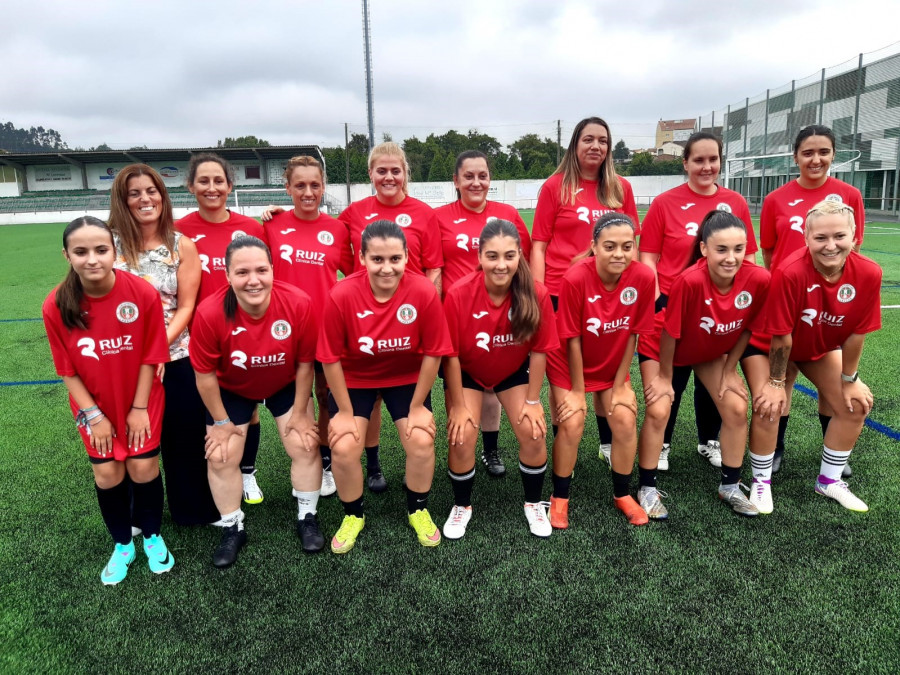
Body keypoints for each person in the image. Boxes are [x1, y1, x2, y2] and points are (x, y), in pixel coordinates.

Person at [43, 216, 174, 585]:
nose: (92, 259)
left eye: (101, 249)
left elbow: (152, 356)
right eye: (81, 251)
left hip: (141, 400)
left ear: (114, 251)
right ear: (67, 255)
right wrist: (94, 415)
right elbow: (67, 370)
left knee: (143, 469)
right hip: (93, 407)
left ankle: (151, 536)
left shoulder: (142, 293)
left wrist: (137, 409)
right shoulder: (56, 305)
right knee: (107, 473)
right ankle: (122, 545)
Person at [318, 220, 453, 554]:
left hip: (406, 378)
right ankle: (353, 515)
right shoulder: (342, 294)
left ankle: (418, 508)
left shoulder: (422, 290)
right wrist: (345, 412)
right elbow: (330, 358)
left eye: (395, 259)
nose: (387, 268)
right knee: (345, 445)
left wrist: (419, 405)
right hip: (355, 380)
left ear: (407, 257)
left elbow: (435, 352)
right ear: (362, 258)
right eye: (377, 259)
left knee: (421, 440)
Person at [190, 236, 321, 567]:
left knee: (305, 444)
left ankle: (308, 516)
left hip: (285, 383)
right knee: (220, 456)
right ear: (227, 275)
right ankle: (233, 527)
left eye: (261, 270)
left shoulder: (299, 303)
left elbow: (306, 364)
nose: (253, 280)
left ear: (273, 271)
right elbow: (204, 376)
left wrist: (304, 413)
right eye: (242, 272)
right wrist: (220, 424)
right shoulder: (208, 313)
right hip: (232, 387)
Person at [639, 132, 759, 472]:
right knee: (671, 378)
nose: (706, 167)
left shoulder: (735, 202)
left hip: (719, 308)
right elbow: (648, 256)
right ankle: (662, 444)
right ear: (686, 164)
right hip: (674, 307)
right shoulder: (665, 203)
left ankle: (709, 441)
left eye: (713, 160)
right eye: (699, 160)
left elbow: (747, 256)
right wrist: (661, 297)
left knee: (713, 381)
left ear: (720, 161)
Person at [641, 211, 771, 517]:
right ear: (704, 249)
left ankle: (730, 486)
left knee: (737, 408)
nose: (731, 258)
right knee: (660, 409)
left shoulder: (759, 279)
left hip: (708, 350)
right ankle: (646, 488)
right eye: (721, 249)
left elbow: (749, 327)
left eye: (738, 249)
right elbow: (670, 333)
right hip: (664, 350)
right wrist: (663, 377)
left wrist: (728, 371)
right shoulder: (689, 281)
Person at [755, 200, 880, 513]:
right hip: (773, 345)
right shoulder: (789, 271)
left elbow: (856, 333)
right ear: (806, 239)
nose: (830, 245)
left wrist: (850, 379)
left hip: (817, 348)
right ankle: (760, 483)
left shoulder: (869, 273)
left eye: (839, 236)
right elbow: (781, 336)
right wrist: (775, 381)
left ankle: (829, 481)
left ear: (855, 236)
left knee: (855, 406)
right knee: (770, 404)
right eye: (821, 238)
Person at [108, 164, 215, 526]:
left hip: (176, 357)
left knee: (184, 437)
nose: (145, 199)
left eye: (151, 190)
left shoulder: (181, 244)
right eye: (135, 192)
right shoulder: (109, 244)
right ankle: (140, 514)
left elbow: (186, 305)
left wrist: (155, 349)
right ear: (123, 200)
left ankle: (193, 509)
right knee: (134, 440)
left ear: (163, 196)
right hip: (121, 361)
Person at [530, 117, 640, 469]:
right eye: (588, 139)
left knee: (602, 364)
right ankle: (565, 435)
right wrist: (539, 294)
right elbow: (539, 245)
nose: (596, 146)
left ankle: (607, 443)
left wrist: (629, 285)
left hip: (608, 294)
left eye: (602, 140)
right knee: (562, 372)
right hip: (563, 293)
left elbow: (631, 243)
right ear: (575, 144)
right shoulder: (555, 187)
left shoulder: (620, 188)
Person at [758, 125, 866, 476]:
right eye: (808, 152)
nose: (815, 159)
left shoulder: (849, 194)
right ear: (796, 157)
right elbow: (770, 252)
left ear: (833, 154)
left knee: (829, 381)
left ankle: (833, 449)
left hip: (830, 308)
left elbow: (853, 248)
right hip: (788, 301)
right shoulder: (776, 199)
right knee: (782, 377)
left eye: (823, 152)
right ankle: (776, 450)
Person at [442, 219, 558, 538]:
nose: (501, 264)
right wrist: (460, 407)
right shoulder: (458, 294)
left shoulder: (536, 293)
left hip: (511, 370)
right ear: (479, 257)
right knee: (462, 434)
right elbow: (450, 356)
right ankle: (462, 506)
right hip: (468, 372)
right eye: (492, 256)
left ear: (520, 255)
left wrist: (533, 401)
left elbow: (540, 351)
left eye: (509, 255)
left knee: (534, 432)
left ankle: (533, 503)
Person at [547, 213, 655, 527]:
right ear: (594, 246)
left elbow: (633, 332)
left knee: (623, 418)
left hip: (611, 360)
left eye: (627, 246)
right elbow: (572, 339)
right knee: (573, 421)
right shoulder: (575, 278)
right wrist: (579, 391)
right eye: (609, 246)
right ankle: (560, 497)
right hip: (567, 362)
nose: (619, 254)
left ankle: (622, 494)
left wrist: (621, 384)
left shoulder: (643, 278)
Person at [176, 153, 269, 506]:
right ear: (191, 186)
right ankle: (215, 473)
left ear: (230, 186)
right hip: (199, 335)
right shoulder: (180, 230)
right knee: (209, 407)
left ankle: (247, 473)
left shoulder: (252, 227)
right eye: (204, 181)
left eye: (219, 181)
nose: (212, 188)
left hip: (246, 333)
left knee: (250, 407)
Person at [435, 149, 532, 478]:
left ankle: (490, 450)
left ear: (490, 179)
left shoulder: (507, 214)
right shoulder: (439, 217)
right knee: (462, 390)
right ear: (456, 181)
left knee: (494, 388)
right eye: (469, 176)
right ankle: (463, 450)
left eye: (483, 176)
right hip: (458, 319)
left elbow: (526, 261)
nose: (476, 182)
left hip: (502, 318)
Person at [264, 155, 355, 501]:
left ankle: (327, 463)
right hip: (282, 334)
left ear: (323, 188)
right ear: (287, 187)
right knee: (294, 403)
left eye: (314, 185)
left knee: (326, 397)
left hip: (326, 332)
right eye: (299, 185)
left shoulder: (336, 229)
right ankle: (300, 461)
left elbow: (354, 275)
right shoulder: (270, 227)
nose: (308, 191)